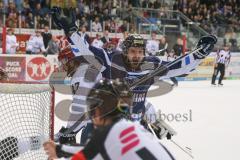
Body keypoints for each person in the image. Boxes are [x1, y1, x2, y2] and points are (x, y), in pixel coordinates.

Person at [51, 6, 217, 144]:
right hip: (104, 129)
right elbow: (87, 49)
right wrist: (71, 29)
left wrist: (199, 54)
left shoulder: (151, 66)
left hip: (133, 130)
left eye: (140, 51)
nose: (137, 55)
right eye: (132, 51)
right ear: (124, 52)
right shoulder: (112, 61)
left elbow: (180, 67)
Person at [43, 79, 175, 160]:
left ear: (98, 111)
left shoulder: (103, 137)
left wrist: (59, 151)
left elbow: (89, 152)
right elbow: (95, 149)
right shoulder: (136, 127)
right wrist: (60, 150)